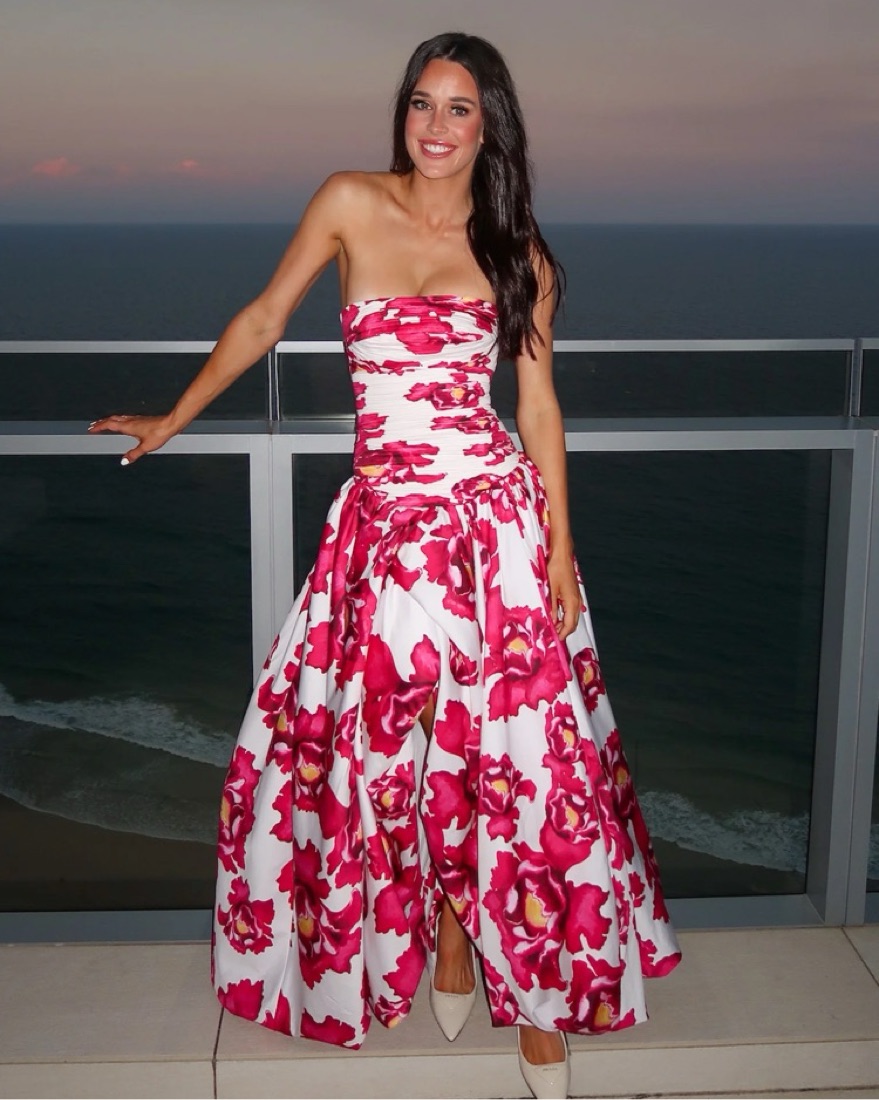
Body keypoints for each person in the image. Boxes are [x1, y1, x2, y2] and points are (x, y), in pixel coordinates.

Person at [89, 31, 681, 1100]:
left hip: (495, 535)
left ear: (490, 126)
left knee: (515, 765)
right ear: (402, 111)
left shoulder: (520, 251)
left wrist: (559, 547)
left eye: (460, 108)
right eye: (422, 102)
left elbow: (537, 407)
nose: (436, 126)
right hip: (382, 534)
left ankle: (529, 1001)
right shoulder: (348, 201)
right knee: (384, 753)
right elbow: (264, 319)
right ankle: (440, 939)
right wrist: (174, 416)